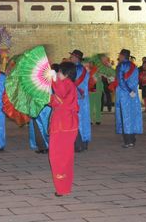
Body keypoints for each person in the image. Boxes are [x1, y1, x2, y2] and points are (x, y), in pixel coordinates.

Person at [49, 61, 79, 197]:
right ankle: (64, 187)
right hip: (66, 124)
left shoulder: (67, 84)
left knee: (58, 156)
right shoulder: (69, 84)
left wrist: (53, 80)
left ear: (66, 74)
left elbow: (61, 98)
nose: (58, 74)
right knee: (65, 156)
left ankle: (62, 188)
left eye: (60, 72)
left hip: (63, 125)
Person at [115, 49, 143, 148]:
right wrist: (132, 91)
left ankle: (128, 141)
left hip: (124, 94)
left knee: (125, 117)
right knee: (132, 115)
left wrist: (128, 90)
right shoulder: (134, 66)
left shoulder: (121, 66)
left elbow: (121, 80)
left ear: (122, 56)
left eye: (120, 55)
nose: (119, 57)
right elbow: (136, 80)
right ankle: (133, 138)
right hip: (133, 94)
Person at [69, 50, 90, 152]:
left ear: (76, 58)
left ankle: (79, 144)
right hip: (84, 98)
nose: (70, 58)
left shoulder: (75, 69)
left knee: (78, 120)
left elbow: (72, 84)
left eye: (72, 56)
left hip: (76, 98)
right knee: (84, 120)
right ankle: (84, 143)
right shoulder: (84, 69)